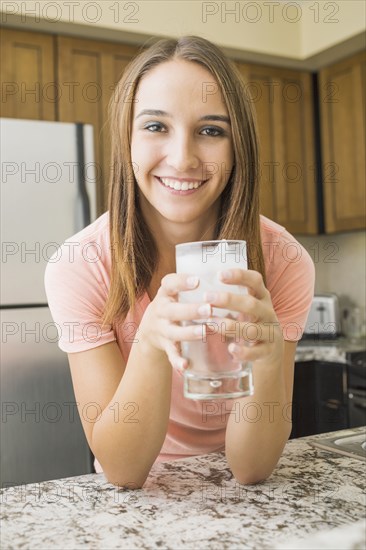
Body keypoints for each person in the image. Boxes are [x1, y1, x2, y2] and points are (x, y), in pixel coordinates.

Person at [45, 35, 315, 488]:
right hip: (143, 498)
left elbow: (251, 469)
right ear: (126, 139)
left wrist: (267, 361)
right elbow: (123, 471)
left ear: (237, 148)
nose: (183, 158)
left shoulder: (282, 260)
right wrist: (150, 344)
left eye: (211, 130)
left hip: (239, 492)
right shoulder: (80, 264)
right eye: (155, 127)